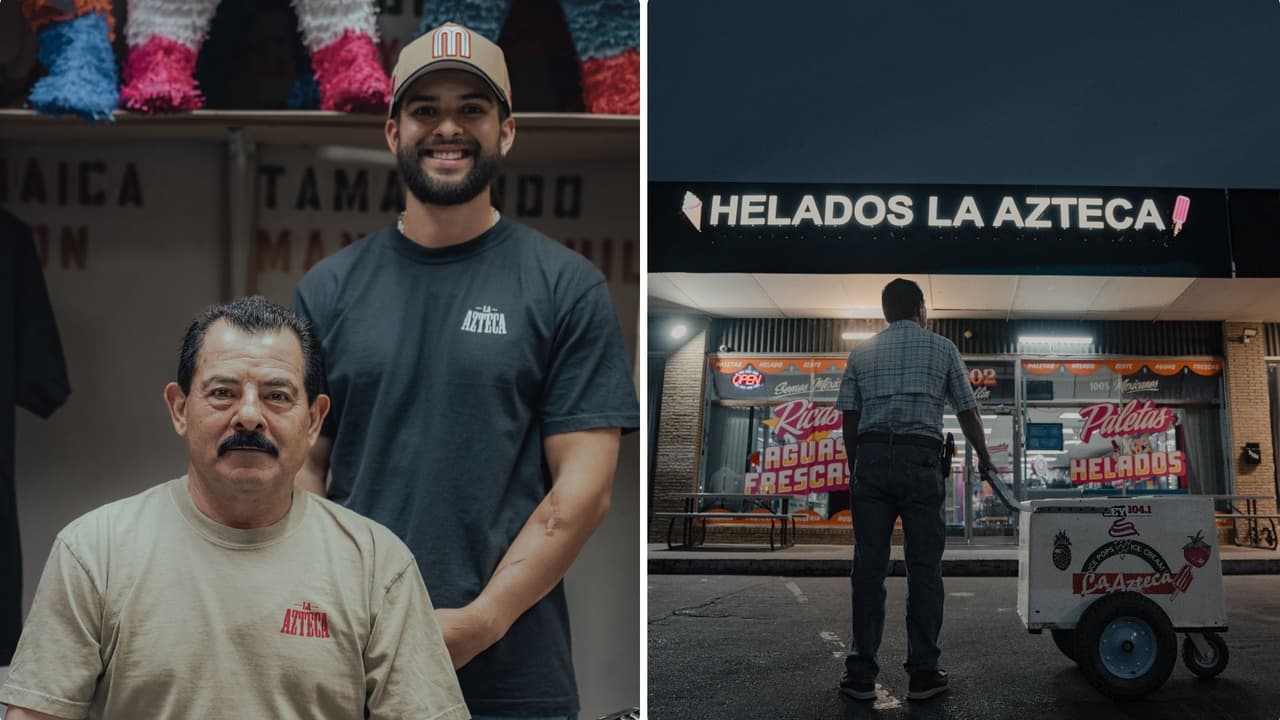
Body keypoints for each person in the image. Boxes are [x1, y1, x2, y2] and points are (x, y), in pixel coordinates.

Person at [292, 21, 640, 720]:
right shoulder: (327, 290)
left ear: (506, 131)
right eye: (425, 110)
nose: (446, 128)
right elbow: (303, 470)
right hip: (353, 655)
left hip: (513, 668)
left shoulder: (564, 286)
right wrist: (337, 606)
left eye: (470, 110)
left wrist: (481, 622)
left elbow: (584, 490)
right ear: (393, 132)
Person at [0, 297, 467, 720]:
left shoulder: (376, 564)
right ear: (179, 408)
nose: (248, 415)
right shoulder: (95, 552)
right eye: (222, 393)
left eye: (277, 396)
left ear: (315, 419)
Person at [835, 278, 992, 702]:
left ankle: (860, 675)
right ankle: (923, 673)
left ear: (886, 311)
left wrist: (857, 469)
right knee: (924, 569)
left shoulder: (861, 351)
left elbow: (850, 417)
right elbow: (967, 410)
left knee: (868, 569)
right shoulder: (942, 348)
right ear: (921, 308)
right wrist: (985, 456)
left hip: (869, 458)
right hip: (920, 460)